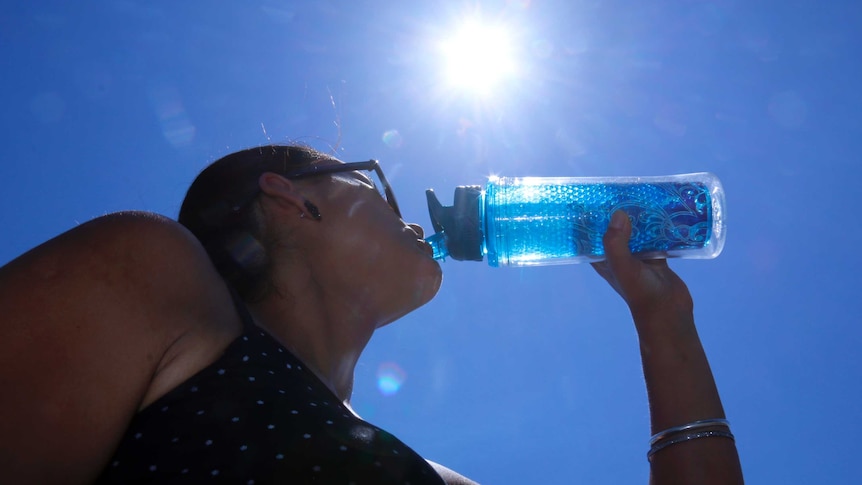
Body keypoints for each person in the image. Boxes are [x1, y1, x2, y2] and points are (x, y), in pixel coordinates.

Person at [0, 145, 743, 484]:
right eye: (372, 182)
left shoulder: (439, 478)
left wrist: (664, 321)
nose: (407, 212)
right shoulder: (146, 271)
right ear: (291, 199)